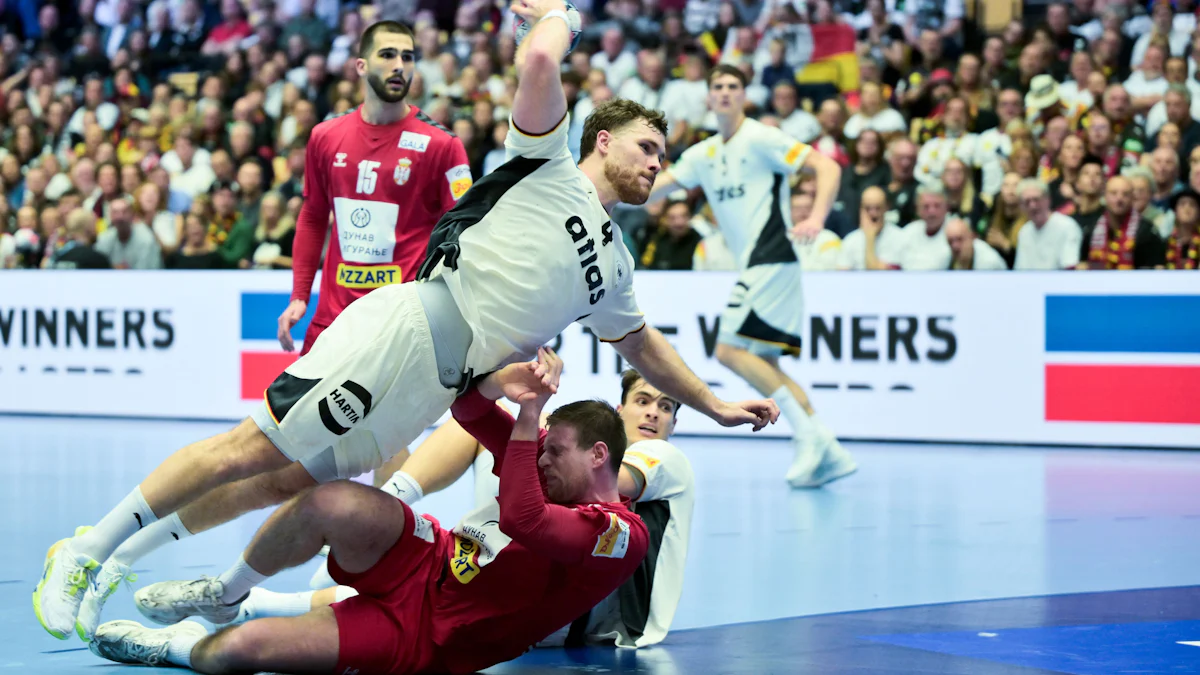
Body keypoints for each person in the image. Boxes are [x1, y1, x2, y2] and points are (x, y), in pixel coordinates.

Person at [35, 2, 779, 644]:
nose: (658, 164)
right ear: (603, 141)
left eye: (665, 155)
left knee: (290, 475)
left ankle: (169, 572)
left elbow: (641, 342)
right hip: (409, 329)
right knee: (248, 447)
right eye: (648, 147)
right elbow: (542, 63)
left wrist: (714, 403)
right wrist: (560, 17)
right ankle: (88, 547)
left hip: (437, 384)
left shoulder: (616, 263)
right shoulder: (545, 163)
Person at [88, 350, 655, 674]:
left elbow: (523, 521)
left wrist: (530, 419)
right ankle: (225, 593)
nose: (541, 460)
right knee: (328, 501)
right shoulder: (543, 468)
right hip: (429, 556)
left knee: (241, 652)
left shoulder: (621, 536)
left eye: (555, 452)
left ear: (598, 456)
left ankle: (168, 648)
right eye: (543, 448)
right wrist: (503, 382)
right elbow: (468, 407)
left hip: (428, 637)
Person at [229, 367, 694, 650]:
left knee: (444, 589)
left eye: (666, 407)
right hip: (527, 568)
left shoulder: (660, 458)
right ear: (620, 408)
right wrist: (506, 385)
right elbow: (469, 409)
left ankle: (376, 522)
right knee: (485, 443)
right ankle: (389, 504)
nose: (654, 414)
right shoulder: (582, 456)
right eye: (643, 401)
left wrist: (533, 430)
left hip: (578, 616)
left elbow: (613, 483)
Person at [643, 64, 853, 489]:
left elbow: (827, 168)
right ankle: (825, 446)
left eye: (732, 86)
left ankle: (812, 439)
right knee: (767, 363)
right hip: (762, 266)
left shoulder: (761, 137)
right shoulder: (703, 155)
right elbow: (651, 190)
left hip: (772, 259)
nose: (724, 92)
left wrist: (815, 217)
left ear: (744, 95)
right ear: (708, 97)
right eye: (716, 86)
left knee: (727, 350)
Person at [275, 21, 471, 355]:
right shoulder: (325, 136)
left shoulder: (443, 145)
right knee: (291, 409)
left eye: (408, 57)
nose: (399, 65)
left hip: (403, 325)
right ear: (361, 66)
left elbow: (465, 236)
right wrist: (299, 296)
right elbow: (313, 216)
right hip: (333, 320)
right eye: (388, 54)